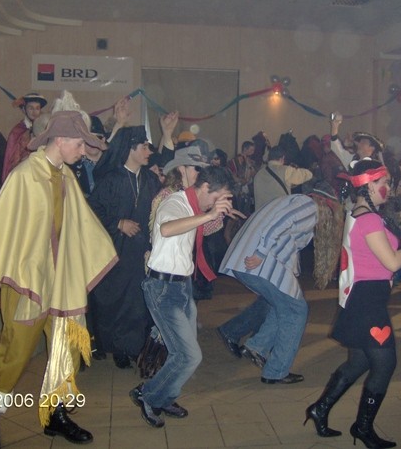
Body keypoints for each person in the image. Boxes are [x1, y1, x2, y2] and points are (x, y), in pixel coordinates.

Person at [0, 110, 118, 448]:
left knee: (67, 347)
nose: (83, 151)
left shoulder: (66, 176)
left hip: (62, 281)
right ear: (60, 140)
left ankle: (55, 414)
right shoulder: (25, 176)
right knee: (16, 349)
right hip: (27, 281)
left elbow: (80, 224)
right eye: (79, 144)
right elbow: (0, 226)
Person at [305, 159, 401, 448]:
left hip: (363, 297)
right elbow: (392, 262)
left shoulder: (358, 213)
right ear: (369, 186)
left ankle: (320, 408)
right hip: (368, 301)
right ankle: (362, 428)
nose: (388, 188)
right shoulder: (369, 220)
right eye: (384, 183)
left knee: (359, 361)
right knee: (385, 364)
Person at [130, 166, 237, 428]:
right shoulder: (175, 202)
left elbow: (202, 227)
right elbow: (167, 229)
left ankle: (164, 396)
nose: (217, 203)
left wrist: (216, 215)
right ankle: (148, 395)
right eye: (218, 197)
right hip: (163, 289)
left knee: (182, 354)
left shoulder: (193, 204)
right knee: (189, 356)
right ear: (205, 188)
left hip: (182, 287)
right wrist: (208, 214)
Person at [220, 194, 328, 385]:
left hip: (250, 261)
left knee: (281, 305)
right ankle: (275, 370)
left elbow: (286, 238)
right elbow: (278, 224)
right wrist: (261, 253)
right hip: (260, 262)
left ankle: (256, 347)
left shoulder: (294, 200)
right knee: (296, 310)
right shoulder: (309, 206)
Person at [88, 125, 162, 369]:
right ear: (131, 149)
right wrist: (118, 223)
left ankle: (134, 346)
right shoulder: (111, 179)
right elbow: (91, 212)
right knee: (117, 300)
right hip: (116, 249)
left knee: (137, 301)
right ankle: (118, 347)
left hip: (141, 251)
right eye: (144, 147)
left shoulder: (150, 179)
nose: (148, 152)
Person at [1, 92, 47, 182]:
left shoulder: (44, 130)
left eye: (37, 108)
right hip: (22, 175)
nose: (34, 112)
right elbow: (11, 160)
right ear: (24, 109)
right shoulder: (17, 132)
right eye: (31, 108)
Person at [253, 145, 313, 209]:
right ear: (282, 158)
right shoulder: (285, 170)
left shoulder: (259, 174)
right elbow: (308, 175)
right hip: (279, 212)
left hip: (261, 213)